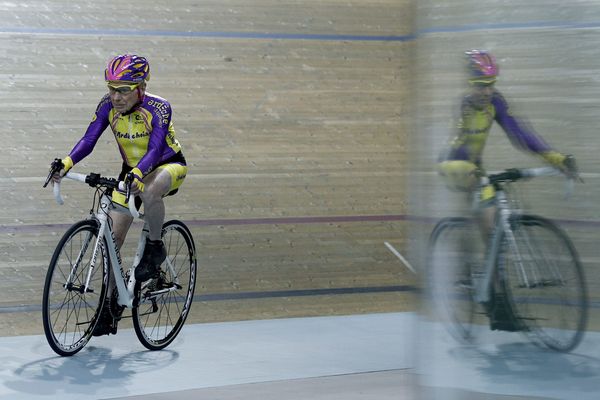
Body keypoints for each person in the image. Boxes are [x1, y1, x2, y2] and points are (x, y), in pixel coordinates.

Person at [437, 49, 578, 330]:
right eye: (480, 86)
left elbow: (521, 134)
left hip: (476, 169)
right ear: (470, 83)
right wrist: (471, 171)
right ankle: (470, 272)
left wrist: (556, 158)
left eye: (491, 85)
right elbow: (461, 144)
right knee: (481, 204)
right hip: (454, 165)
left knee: (493, 237)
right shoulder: (465, 105)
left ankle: (498, 304)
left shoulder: (495, 103)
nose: (487, 92)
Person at [50, 54, 188, 335]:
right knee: (112, 241)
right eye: (112, 88)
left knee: (150, 191)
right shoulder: (106, 106)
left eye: (123, 89)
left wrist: (139, 173)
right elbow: (89, 139)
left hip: (166, 164)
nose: (116, 96)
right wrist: (67, 162)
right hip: (132, 171)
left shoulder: (159, 108)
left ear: (141, 88)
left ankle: (155, 246)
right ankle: (110, 306)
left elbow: (156, 148)